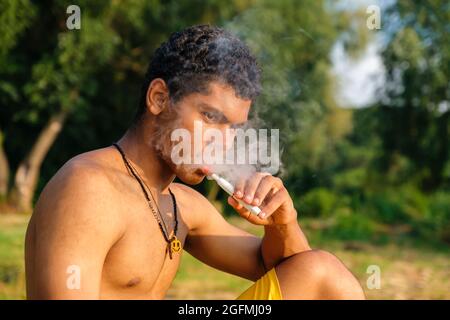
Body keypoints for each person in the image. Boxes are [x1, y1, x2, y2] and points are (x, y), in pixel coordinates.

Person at [25, 25, 365, 300]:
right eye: (210, 116)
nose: (224, 141)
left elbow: (285, 269)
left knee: (322, 272)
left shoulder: (182, 206)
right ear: (159, 98)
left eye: (233, 128)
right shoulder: (89, 187)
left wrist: (282, 222)